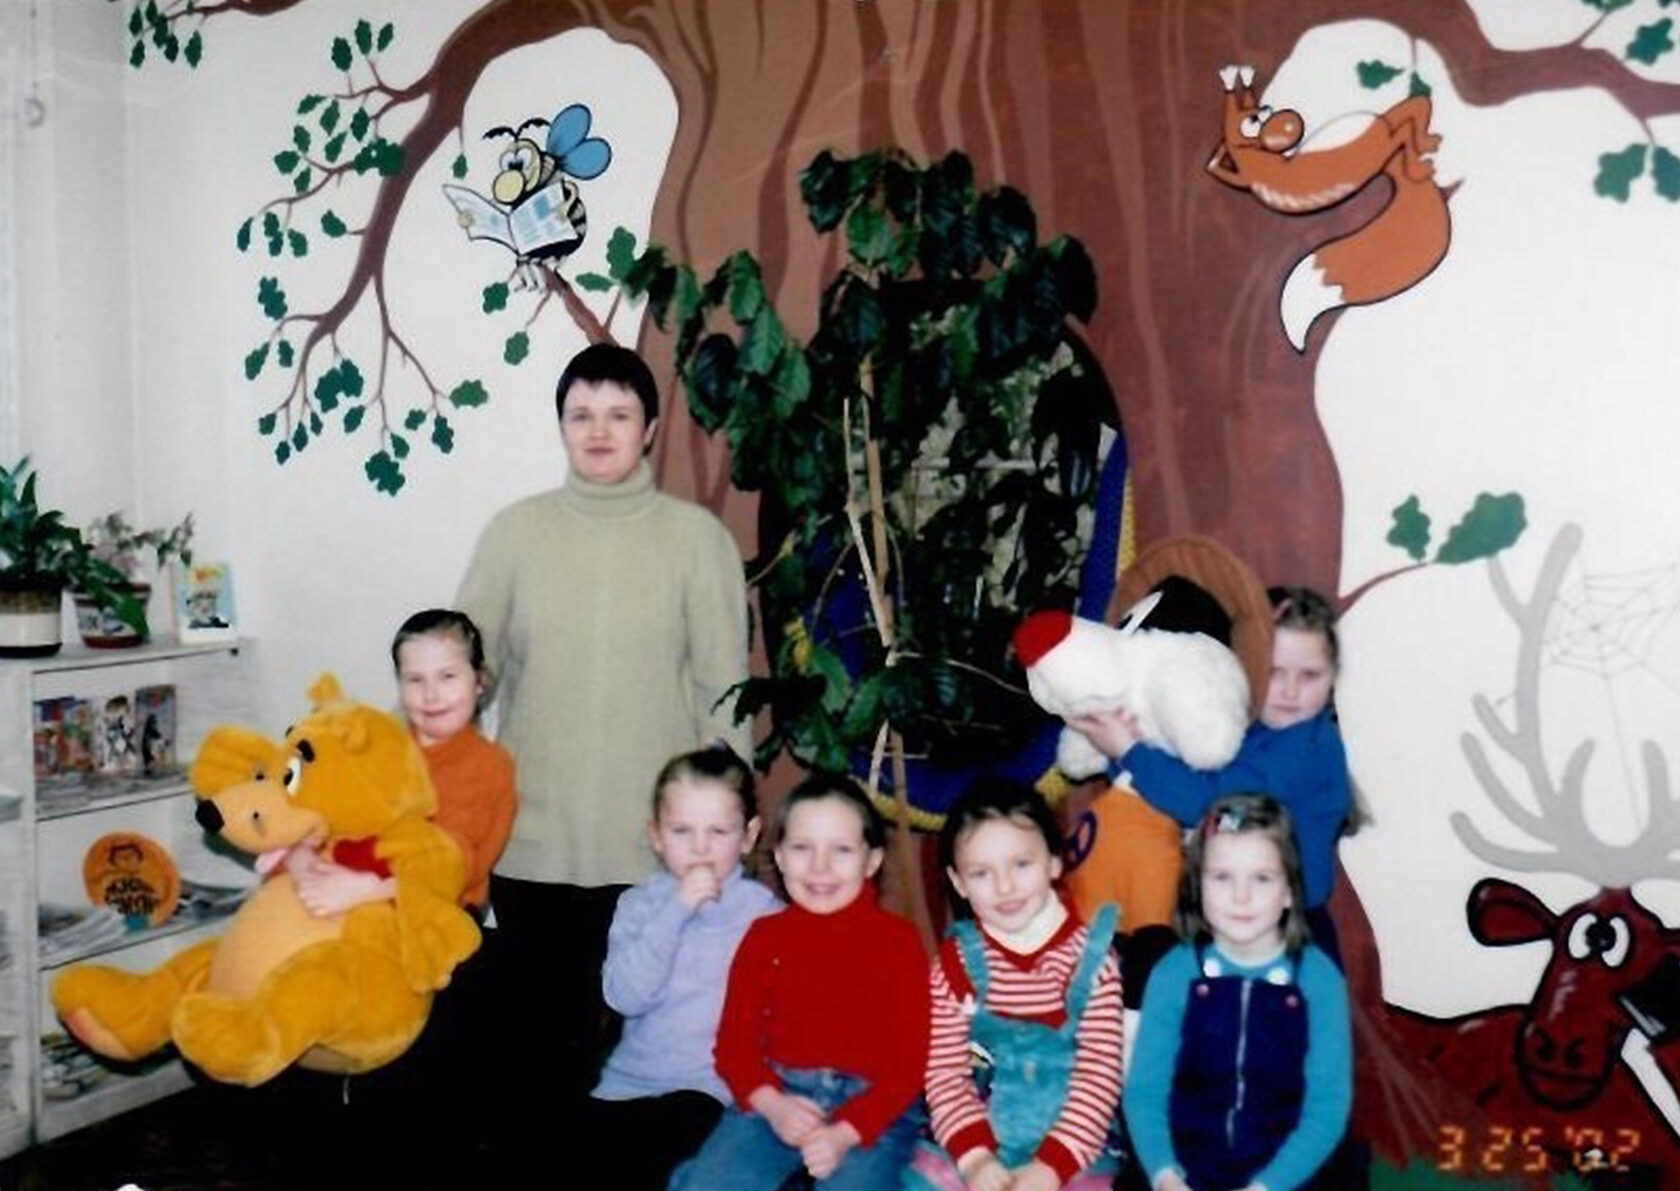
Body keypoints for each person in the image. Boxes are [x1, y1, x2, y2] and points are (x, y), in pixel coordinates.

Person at [455, 342, 751, 1096]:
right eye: (581, 413)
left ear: (649, 428)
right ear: (560, 425)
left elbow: (724, 693)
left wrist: (722, 840)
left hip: (654, 853)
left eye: (619, 414)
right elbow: (461, 670)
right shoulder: (514, 534)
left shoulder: (697, 540)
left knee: (640, 1065)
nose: (598, 430)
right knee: (540, 1057)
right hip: (531, 844)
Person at [670, 774, 930, 1191]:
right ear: (780, 856)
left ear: (871, 861)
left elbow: (910, 1064)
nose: (819, 866)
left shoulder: (899, 942)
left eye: (841, 850)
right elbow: (734, 1047)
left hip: (872, 1108)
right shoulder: (763, 938)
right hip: (778, 1093)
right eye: (802, 848)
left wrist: (845, 1133)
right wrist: (774, 1106)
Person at [1067, 585, 1350, 959]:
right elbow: (1185, 772)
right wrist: (1123, 747)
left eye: (1310, 675)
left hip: (1288, 931)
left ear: (1333, 679)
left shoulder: (1308, 747)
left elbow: (1207, 801)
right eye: (1274, 672)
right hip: (1238, 918)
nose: (1291, 691)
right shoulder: (1255, 729)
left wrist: (1128, 750)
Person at [1123, 794, 1351, 1191]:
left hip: (1288, 1168)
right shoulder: (1174, 973)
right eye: (1222, 877)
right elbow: (1145, 1092)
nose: (1241, 896)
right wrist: (1164, 1174)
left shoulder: (1318, 979)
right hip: (1183, 1164)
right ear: (1197, 886)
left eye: (1261, 878)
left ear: (1289, 891)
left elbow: (1327, 1107)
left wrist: (1268, 1186)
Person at [908, 779, 1123, 1191]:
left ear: (1054, 862)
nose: (1004, 887)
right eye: (981, 873)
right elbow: (944, 1072)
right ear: (958, 882)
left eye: (1021, 864)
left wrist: (1051, 1167)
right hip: (974, 1127)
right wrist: (974, 1158)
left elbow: (1099, 1075)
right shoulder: (954, 964)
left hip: (1073, 1135)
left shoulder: (1094, 962)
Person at [585, 746, 781, 1191]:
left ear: (748, 836)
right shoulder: (638, 906)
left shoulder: (765, 916)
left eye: (718, 831)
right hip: (629, 1083)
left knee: (677, 1150)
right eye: (681, 830)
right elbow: (625, 997)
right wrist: (675, 911)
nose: (700, 847)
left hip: (715, 1092)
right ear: (656, 836)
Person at [291, 608, 516, 918]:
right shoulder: (382, 746)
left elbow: (457, 866)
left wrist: (367, 889)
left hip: (440, 911)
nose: (431, 695)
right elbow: (329, 811)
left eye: (447, 677)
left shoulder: (489, 764)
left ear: (479, 682)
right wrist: (303, 856)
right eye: (415, 680)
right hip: (356, 886)